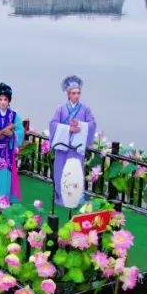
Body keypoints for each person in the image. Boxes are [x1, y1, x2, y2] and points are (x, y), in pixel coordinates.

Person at [48, 75, 97, 206]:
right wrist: (68, 128)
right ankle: (61, 197)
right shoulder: (61, 109)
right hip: (63, 147)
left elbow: (92, 124)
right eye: (74, 93)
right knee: (61, 172)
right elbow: (53, 124)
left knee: (75, 173)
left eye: (78, 93)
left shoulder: (85, 109)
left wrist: (81, 125)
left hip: (76, 148)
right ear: (68, 94)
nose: (77, 95)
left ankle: (75, 197)